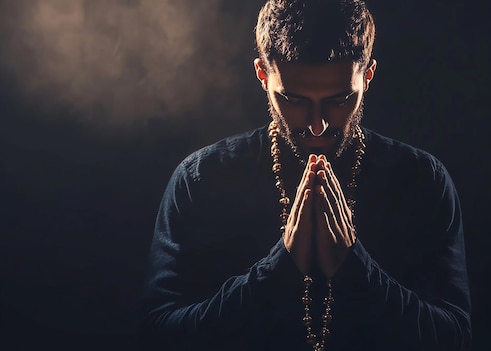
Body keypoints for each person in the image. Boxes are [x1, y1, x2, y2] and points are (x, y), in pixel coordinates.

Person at [140, 0, 471, 350]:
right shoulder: (200, 179)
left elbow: (454, 339)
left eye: (341, 99)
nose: (317, 126)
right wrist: (281, 266)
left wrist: (353, 268)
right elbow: (158, 336)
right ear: (263, 75)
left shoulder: (421, 180)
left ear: (368, 76)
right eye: (293, 99)